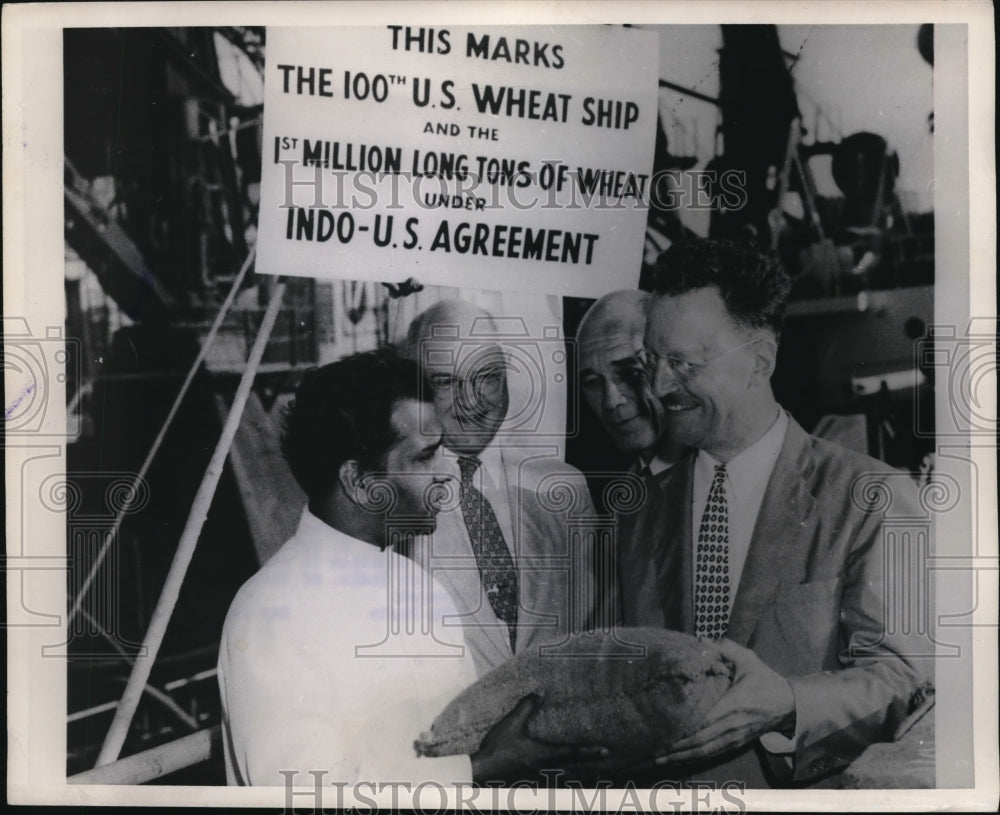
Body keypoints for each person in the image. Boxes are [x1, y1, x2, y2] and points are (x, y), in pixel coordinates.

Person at [620, 238, 932, 786]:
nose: (661, 386)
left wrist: (789, 703)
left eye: (683, 363)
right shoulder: (639, 512)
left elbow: (902, 682)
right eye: (653, 360)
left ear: (760, 361)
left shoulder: (870, 498)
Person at [217, 349, 600, 786]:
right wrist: (481, 767)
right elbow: (306, 795)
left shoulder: (422, 588)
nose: (448, 473)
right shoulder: (269, 615)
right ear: (360, 482)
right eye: (426, 456)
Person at [402, 300, 598, 676]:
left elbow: (596, 629)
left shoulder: (564, 488)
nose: (470, 400)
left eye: (486, 376)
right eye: (445, 382)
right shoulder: (397, 499)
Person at [575, 289, 686, 627]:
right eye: (592, 382)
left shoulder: (721, 475)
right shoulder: (626, 497)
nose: (611, 401)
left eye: (628, 373)